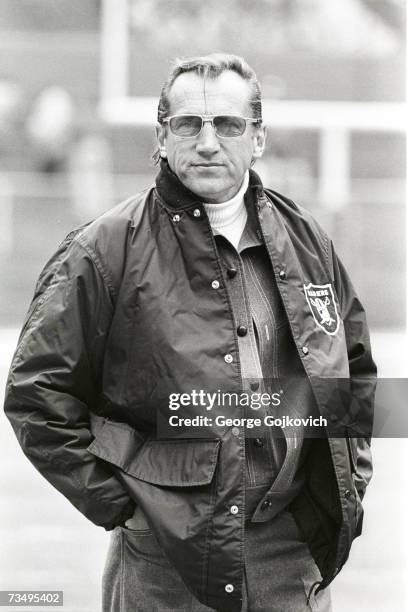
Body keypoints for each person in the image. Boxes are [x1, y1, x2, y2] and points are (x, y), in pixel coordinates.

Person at [4, 54, 376, 612]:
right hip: (165, 563)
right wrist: (123, 507)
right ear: (162, 135)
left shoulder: (307, 243)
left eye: (227, 125)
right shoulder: (104, 249)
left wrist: (348, 481)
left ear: (258, 138)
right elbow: (36, 396)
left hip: (292, 557)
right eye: (188, 124)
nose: (208, 142)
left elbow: (356, 373)